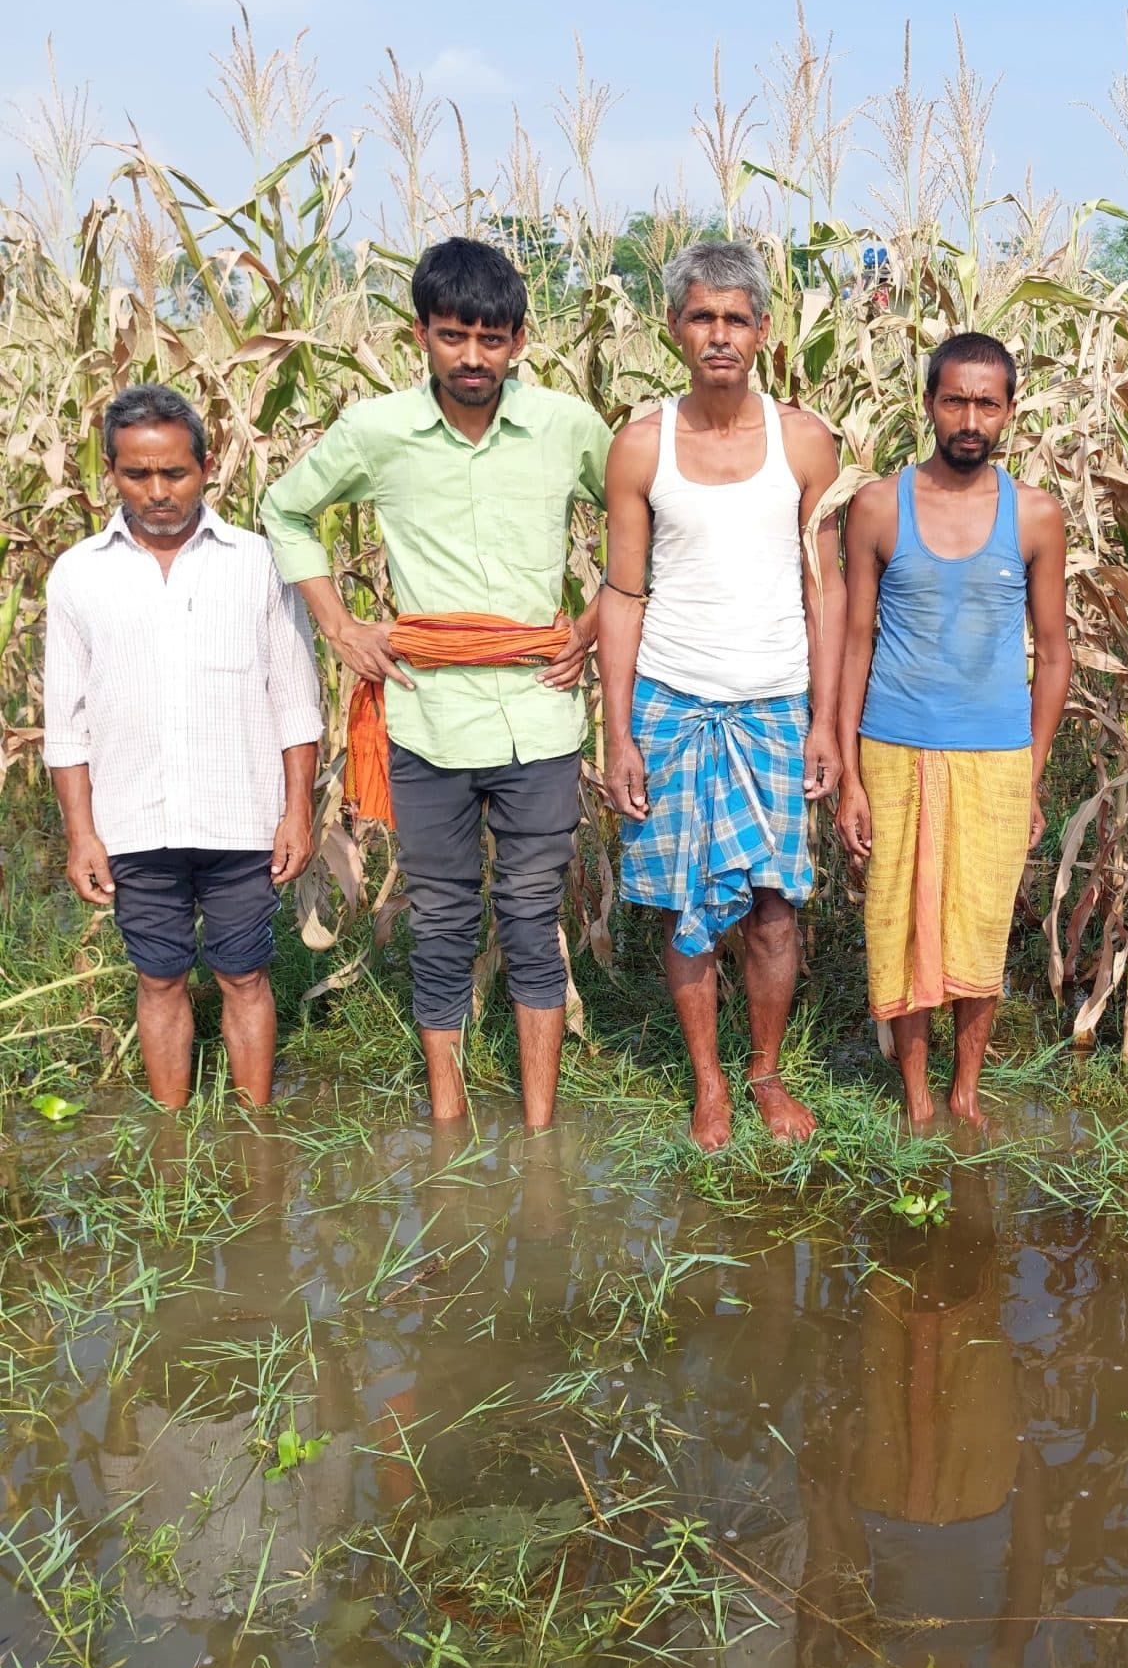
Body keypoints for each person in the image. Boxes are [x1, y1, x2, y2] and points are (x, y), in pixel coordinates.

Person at [261, 237, 609, 1130]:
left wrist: (599, 618)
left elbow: (644, 521)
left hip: (541, 714)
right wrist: (338, 625)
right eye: (453, 336)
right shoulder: (378, 433)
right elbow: (284, 507)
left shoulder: (569, 426)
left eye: (491, 340)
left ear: (521, 340)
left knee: (533, 918)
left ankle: (538, 1125)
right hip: (425, 717)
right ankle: (448, 1111)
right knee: (444, 917)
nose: (472, 359)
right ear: (420, 332)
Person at [599, 239, 844, 1150]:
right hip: (672, 699)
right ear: (674, 330)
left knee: (775, 907)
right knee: (686, 904)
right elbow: (623, 596)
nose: (719, 335)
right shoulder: (641, 446)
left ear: (765, 332)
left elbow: (830, 593)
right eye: (702, 316)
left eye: (736, 319)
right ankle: (708, 1084)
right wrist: (617, 731)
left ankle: (765, 1073)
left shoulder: (804, 442)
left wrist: (825, 722)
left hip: (774, 703)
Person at [43, 383, 322, 1108]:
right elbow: (66, 722)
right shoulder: (78, 574)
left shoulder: (258, 563)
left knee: (244, 973)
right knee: (159, 975)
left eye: (175, 473)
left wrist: (297, 813)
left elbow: (295, 701)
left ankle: (254, 1130)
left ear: (208, 465)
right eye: (138, 475)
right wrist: (81, 835)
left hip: (242, 818)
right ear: (111, 472)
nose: (158, 491)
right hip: (136, 819)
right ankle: (172, 1137)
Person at [835, 332, 1071, 1126]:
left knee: (978, 923)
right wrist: (848, 775)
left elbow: (1056, 653)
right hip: (894, 747)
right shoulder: (877, 506)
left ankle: (966, 1090)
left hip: (995, 756)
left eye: (987, 403)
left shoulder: (1036, 515)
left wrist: (1030, 772)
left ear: (1010, 410)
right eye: (954, 400)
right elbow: (854, 641)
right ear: (929, 403)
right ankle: (916, 1095)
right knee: (898, 922)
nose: (970, 418)